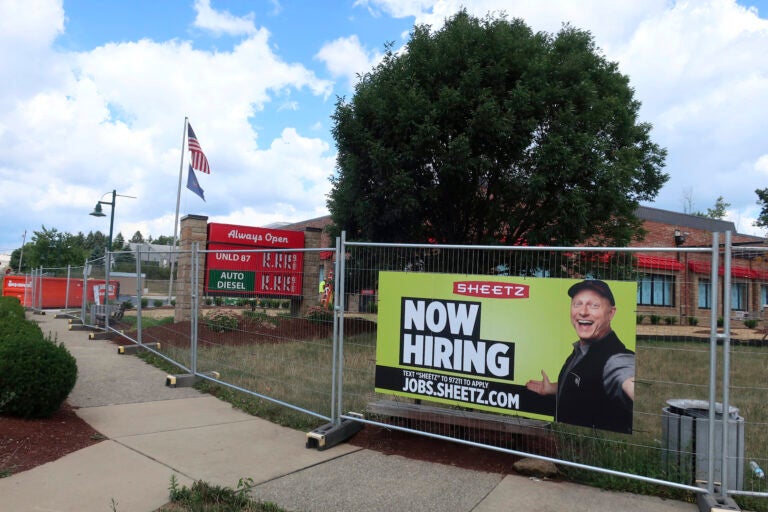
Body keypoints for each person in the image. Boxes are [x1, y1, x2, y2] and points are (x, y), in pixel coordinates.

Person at [526, 279, 635, 433]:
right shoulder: (582, 349)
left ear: (611, 313)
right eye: (577, 304)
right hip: (569, 445)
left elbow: (626, 376)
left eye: (594, 305)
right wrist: (553, 388)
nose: (583, 311)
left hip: (594, 450)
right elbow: (589, 384)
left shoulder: (616, 359)